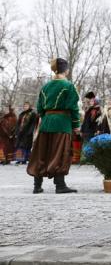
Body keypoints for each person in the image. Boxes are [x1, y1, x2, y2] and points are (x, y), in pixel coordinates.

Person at [26, 58, 79, 194]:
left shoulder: (45, 87)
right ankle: (60, 185)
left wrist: (46, 118)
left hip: (46, 122)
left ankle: (37, 185)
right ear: (66, 70)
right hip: (62, 123)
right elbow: (73, 107)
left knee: (42, 152)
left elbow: (40, 108)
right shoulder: (68, 86)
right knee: (60, 152)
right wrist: (76, 124)